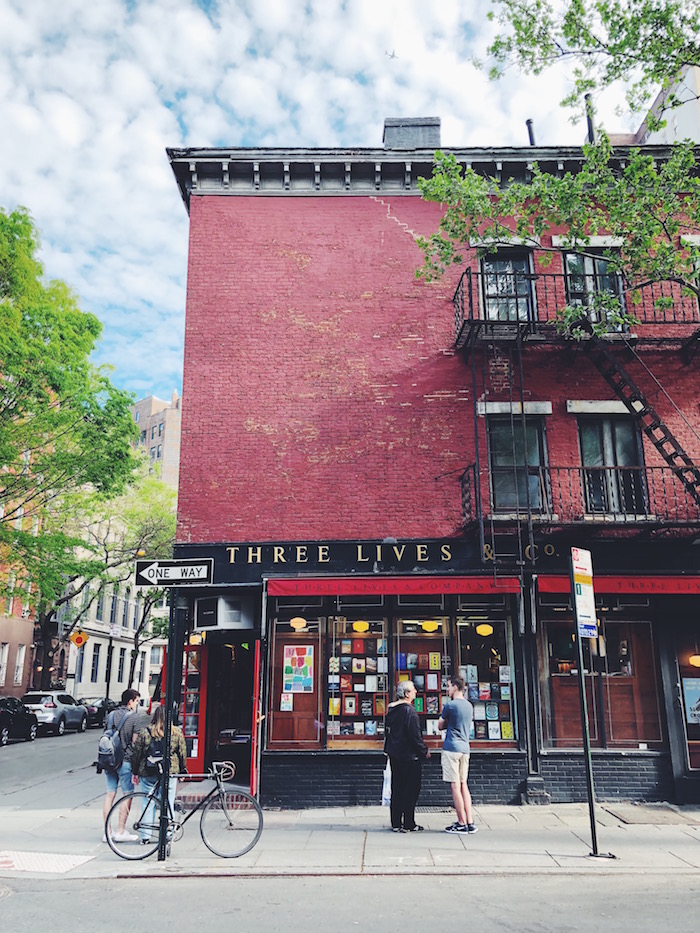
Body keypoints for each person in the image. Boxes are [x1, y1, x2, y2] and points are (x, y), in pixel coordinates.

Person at [130, 704, 187, 843]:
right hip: (169, 771)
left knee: (147, 801)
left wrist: (135, 771)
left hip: (148, 771)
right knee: (167, 801)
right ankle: (168, 833)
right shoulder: (176, 732)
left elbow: (137, 753)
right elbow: (182, 753)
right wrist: (183, 769)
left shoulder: (145, 732)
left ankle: (145, 836)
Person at [384, 680, 429, 833]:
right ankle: (408, 823)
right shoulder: (409, 712)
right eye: (413, 690)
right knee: (410, 790)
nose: (416, 691)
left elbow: (387, 732)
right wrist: (424, 751)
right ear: (407, 693)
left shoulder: (391, 710)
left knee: (397, 788)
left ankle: (396, 822)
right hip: (410, 757)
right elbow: (414, 736)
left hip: (395, 754)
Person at [438, 675, 477, 834]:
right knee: (463, 785)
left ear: (455, 686)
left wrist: (446, 722)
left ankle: (461, 823)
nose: (447, 689)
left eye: (448, 686)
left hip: (451, 748)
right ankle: (470, 821)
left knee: (454, 786)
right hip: (465, 749)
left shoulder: (450, 706)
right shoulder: (469, 706)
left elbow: (440, 725)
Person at [102, 688, 141, 843]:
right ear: (130, 701)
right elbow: (135, 743)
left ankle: (107, 832)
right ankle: (121, 830)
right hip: (125, 760)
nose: (137, 704)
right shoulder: (134, 718)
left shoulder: (110, 715)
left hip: (109, 760)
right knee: (127, 794)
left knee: (109, 794)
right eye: (137, 700)